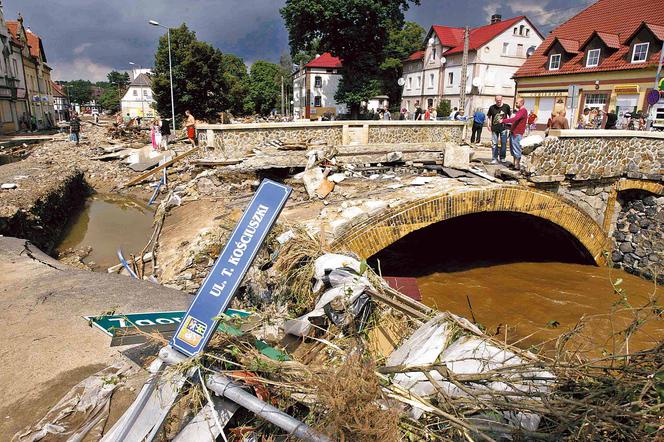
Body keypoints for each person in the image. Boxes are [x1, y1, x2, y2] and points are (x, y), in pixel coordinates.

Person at [501, 97, 528, 170]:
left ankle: (517, 166)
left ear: (522, 103)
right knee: (512, 149)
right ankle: (514, 164)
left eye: (517, 102)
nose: (516, 104)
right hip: (514, 132)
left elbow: (515, 119)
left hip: (517, 133)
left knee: (516, 149)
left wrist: (504, 120)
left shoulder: (523, 111)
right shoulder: (519, 111)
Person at [487, 95, 511, 164]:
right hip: (494, 128)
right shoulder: (492, 107)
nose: (498, 101)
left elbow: (510, 116)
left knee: (503, 143)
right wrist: (488, 125)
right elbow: (488, 117)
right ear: (495, 100)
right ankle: (494, 158)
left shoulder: (506, 106)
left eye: (500, 100)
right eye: (497, 100)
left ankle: (502, 157)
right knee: (494, 143)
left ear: (502, 99)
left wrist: (509, 126)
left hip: (503, 128)